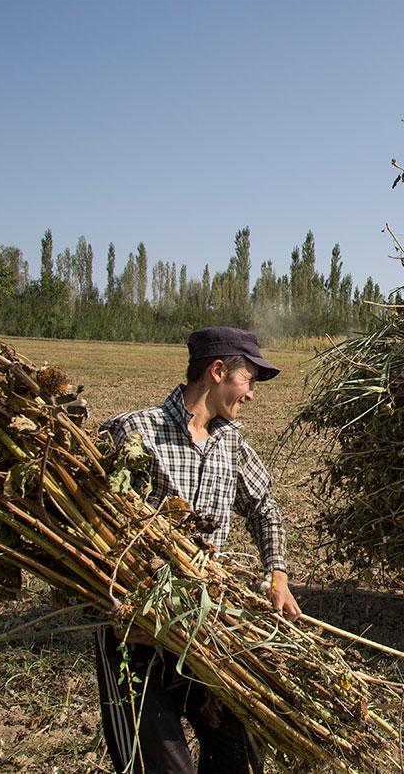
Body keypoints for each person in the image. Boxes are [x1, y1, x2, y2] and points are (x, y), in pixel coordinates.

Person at [94, 326, 301, 774]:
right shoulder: (136, 432)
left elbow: (264, 507)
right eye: (249, 380)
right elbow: (82, 525)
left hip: (204, 626)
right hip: (135, 633)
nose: (251, 395)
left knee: (239, 757)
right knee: (163, 768)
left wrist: (278, 576)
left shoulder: (232, 442)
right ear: (218, 371)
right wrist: (112, 603)